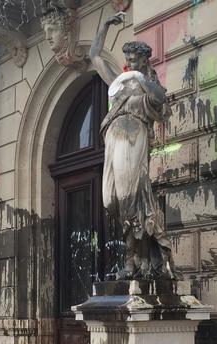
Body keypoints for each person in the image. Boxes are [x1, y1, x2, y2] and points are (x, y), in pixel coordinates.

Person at [89, 14, 176, 279]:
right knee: (110, 198)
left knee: (129, 197)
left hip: (133, 135)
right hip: (113, 138)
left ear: (145, 60)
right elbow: (94, 56)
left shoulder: (145, 83)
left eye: (135, 60)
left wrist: (141, 78)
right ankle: (135, 257)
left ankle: (133, 260)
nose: (129, 64)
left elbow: (162, 101)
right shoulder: (119, 81)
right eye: (128, 60)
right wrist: (103, 26)